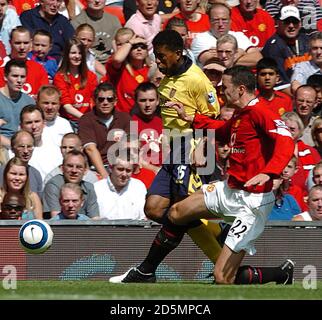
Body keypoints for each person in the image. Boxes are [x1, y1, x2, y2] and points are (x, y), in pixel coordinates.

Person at [109, 30, 227, 284]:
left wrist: (203, 144)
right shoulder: (165, 79)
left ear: (178, 53)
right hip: (174, 151)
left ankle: (221, 268)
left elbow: (214, 118)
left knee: (181, 211)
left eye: (162, 56)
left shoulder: (197, 79)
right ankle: (217, 231)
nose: (158, 61)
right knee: (153, 209)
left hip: (193, 147)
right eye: (156, 56)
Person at [163, 66, 295, 285]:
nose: (221, 91)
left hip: (253, 202)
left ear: (241, 89)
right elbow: (223, 130)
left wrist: (268, 172)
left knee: (222, 278)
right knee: (176, 212)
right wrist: (190, 118)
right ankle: (148, 268)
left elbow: (287, 140)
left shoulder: (262, 112)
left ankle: (281, 274)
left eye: (225, 87)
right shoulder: (240, 114)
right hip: (230, 190)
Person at [78, 82, 131, 179]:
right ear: (95, 101)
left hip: (122, 167)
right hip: (95, 169)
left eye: (110, 99)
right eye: (101, 99)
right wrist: (105, 176)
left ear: (115, 101)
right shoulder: (85, 120)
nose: (105, 102)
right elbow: (90, 149)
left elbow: (132, 146)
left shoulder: (126, 118)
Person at [191, 2, 262, 67]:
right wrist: (240, 52)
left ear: (230, 21)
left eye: (224, 20)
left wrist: (225, 58)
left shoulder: (239, 36)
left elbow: (258, 59)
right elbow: (213, 62)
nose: (221, 24)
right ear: (209, 21)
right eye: (216, 20)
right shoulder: (201, 39)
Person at [262, 5, 310, 95]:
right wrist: (306, 97)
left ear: (300, 24)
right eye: (287, 22)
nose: (291, 26)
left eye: (295, 22)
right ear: (278, 23)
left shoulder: (307, 40)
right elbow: (281, 86)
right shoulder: (273, 47)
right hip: (291, 96)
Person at [53, 37, 98, 131]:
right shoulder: (60, 77)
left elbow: (95, 100)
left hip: (88, 120)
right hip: (69, 121)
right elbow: (66, 106)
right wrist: (86, 119)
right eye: (73, 53)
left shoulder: (91, 76)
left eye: (80, 53)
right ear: (66, 55)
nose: (77, 56)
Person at [43, 149, 99, 219]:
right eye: (70, 166)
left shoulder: (89, 187)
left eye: (79, 167)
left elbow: (95, 219)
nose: (74, 170)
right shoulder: (53, 185)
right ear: (62, 168)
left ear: (85, 171)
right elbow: (56, 220)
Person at [106, 28, 150, 113]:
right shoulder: (120, 67)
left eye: (143, 46)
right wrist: (130, 42)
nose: (139, 49)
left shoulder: (151, 69)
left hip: (144, 118)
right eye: (135, 46)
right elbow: (118, 59)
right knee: (133, 125)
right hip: (123, 118)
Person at [94, 150, 147, 220]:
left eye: (128, 170)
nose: (124, 174)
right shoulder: (97, 188)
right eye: (120, 169)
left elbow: (143, 217)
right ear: (111, 168)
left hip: (133, 229)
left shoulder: (138, 187)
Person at [0, 26, 49, 98]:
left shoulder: (38, 69)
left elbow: (45, 95)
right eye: (18, 43)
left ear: (31, 43)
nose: (22, 47)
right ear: (10, 43)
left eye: (26, 43)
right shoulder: (1, 68)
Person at [20, 105, 63, 182]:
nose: (34, 126)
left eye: (37, 121)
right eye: (29, 122)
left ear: (44, 123)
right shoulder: (15, 151)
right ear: (21, 126)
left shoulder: (57, 147)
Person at [71, 0, 121, 64]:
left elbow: (121, 45)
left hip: (112, 64)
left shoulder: (114, 20)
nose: (97, 1)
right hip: (88, 63)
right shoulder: (76, 23)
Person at [0, 59, 35, 148]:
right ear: (5, 77)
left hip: (24, 147)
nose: (19, 80)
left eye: (22, 77)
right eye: (15, 76)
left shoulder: (29, 102)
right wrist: (13, 147)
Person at [131, 81, 163, 170]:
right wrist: (155, 170)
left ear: (158, 101)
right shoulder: (131, 124)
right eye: (143, 100)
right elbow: (133, 157)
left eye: (151, 100)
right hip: (143, 171)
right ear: (136, 101)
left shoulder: (164, 122)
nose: (147, 105)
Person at [1, 130, 43, 197]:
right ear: (12, 148)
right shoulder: (2, 172)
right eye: (21, 146)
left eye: (29, 146)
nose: (26, 151)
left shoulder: (36, 174)